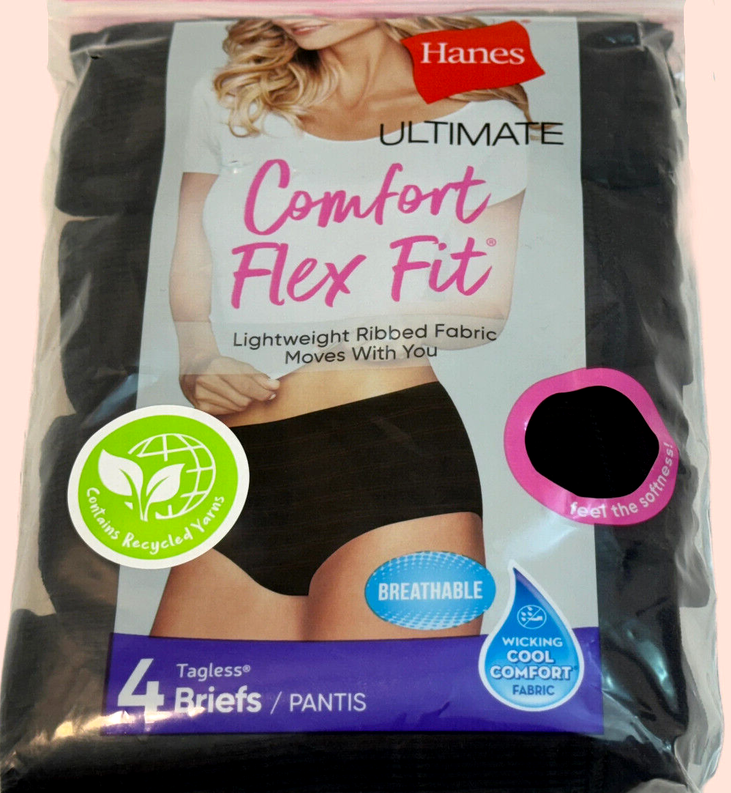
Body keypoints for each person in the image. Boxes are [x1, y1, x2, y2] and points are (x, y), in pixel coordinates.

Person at [151, 16, 531, 641]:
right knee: (185, 700)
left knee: (387, 707)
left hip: (390, 456)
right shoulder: (234, 99)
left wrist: (310, 337)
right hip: (240, 465)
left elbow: (483, 306)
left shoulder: (483, 113)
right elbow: (191, 253)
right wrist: (198, 360)